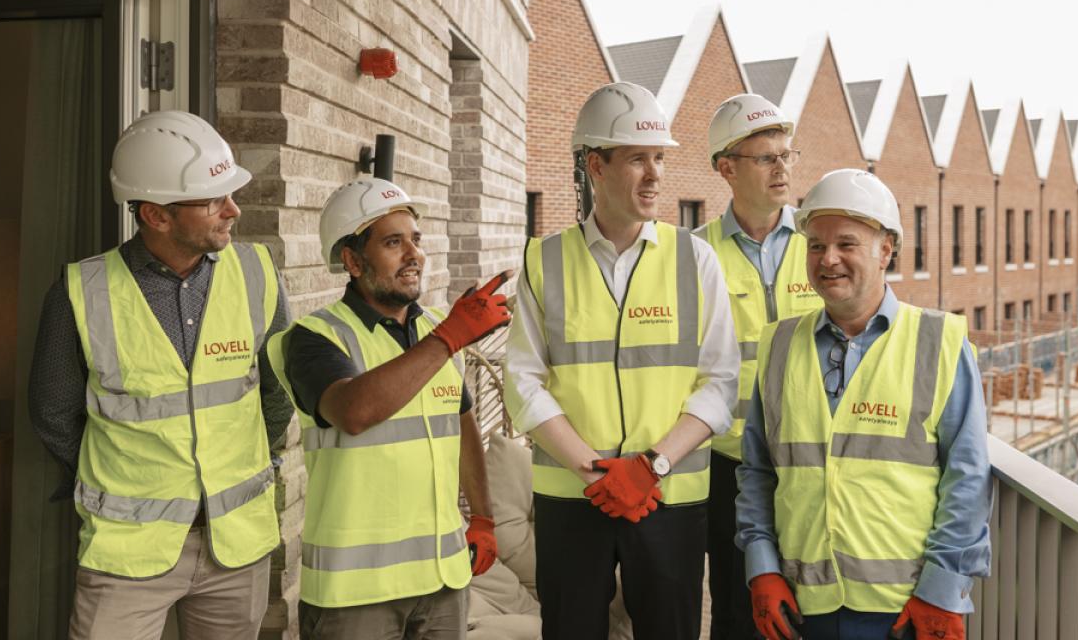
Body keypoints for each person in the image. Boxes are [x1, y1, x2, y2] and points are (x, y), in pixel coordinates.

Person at [29, 110, 294, 640]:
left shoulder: (256, 273)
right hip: (127, 554)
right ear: (156, 215)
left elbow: (277, 393)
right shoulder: (81, 291)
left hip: (236, 546)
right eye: (213, 200)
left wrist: (241, 464)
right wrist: (121, 477)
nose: (233, 210)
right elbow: (54, 413)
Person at [505, 81, 739, 639]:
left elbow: (720, 382)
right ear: (596, 165)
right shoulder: (545, 261)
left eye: (659, 158)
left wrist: (649, 466)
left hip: (670, 496)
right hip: (572, 496)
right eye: (638, 159)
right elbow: (523, 382)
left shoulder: (694, 258)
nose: (656, 174)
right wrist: (595, 471)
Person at [736, 168, 991, 640]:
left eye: (846, 244)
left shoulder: (938, 342)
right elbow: (757, 470)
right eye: (815, 245)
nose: (828, 259)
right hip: (801, 605)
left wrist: (943, 588)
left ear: (886, 249)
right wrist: (762, 568)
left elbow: (968, 476)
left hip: (903, 611)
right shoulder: (779, 346)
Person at [265, 176, 510, 640]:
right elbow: (354, 411)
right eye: (393, 243)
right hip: (355, 595)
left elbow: (461, 426)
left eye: (415, 240)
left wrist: (482, 517)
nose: (413, 253)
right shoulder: (314, 338)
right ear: (353, 261)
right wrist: (449, 339)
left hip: (441, 582)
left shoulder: (438, 331)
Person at [695, 93, 822, 639]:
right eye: (767, 157)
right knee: (738, 611)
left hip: (811, 459)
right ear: (727, 168)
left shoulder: (822, 246)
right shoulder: (693, 255)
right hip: (726, 467)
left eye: (787, 156)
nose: (783, 169)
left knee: (814, 603)